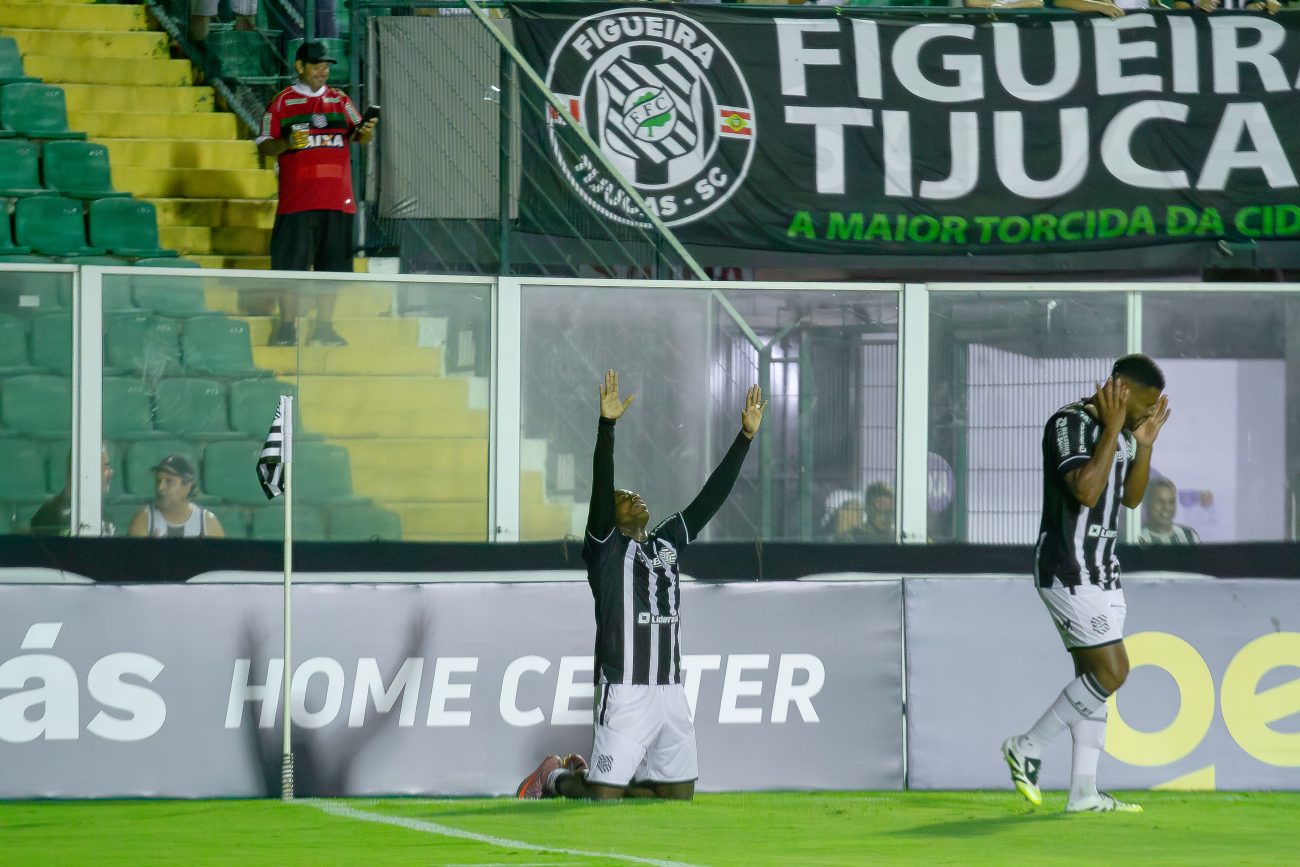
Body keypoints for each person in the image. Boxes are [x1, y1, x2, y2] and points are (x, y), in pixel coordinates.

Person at [516, 370, 767, 801]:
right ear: (610, 517)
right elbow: (600, 490)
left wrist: (744, 438)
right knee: (602, 800)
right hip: (625, 688)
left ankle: (602, 775)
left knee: (675, 798)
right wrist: (606, 427)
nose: (634, 497)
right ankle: (554, 778)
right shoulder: (605, 549)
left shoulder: (667, 541)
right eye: (623, 497)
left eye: (634, 494)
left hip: (669, 691)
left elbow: (710, 497)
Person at [1002, 354, 1170, 813]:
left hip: (1104, 572)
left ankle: (1083, 792)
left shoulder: (1128, 434)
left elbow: (1131, 499)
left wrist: (1145, 444)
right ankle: (1027, 746)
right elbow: (1086, 490)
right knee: (1113, 671)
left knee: (1094, 680)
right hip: (1067, 568)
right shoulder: (1068, 423)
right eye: (1146, 403)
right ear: (1121, 388)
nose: (1148, 413)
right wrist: (1115, 430)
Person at [256, 40, 378, 348]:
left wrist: (366, 132)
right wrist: (285, 144)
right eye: (316, 66)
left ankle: (324, 327)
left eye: (326, 66)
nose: (323, 72)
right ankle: (286, 329)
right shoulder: (281, 103)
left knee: (332, 270)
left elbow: (358, 135)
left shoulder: (341, 100)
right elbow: (263, 145)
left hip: (337, 200)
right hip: (298, 201)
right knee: (289, 269)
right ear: (299, 67)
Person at [127, 454, 224, 538]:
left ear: (187, 487)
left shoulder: (207, 522)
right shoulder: (144, 519)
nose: (160, 488)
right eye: (158, 481)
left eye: (169, 482)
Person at [30, 446, 116, 537]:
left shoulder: (105, 517)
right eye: (106, 465)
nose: (110, 472)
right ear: (86, 470)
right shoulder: (50, 516)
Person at [1138, 477, 1200, 545]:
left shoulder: (1190, 536)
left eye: (1171, 502)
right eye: (1159, 502)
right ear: (1146, 504)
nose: (1166, 508)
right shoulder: (1135, 538)